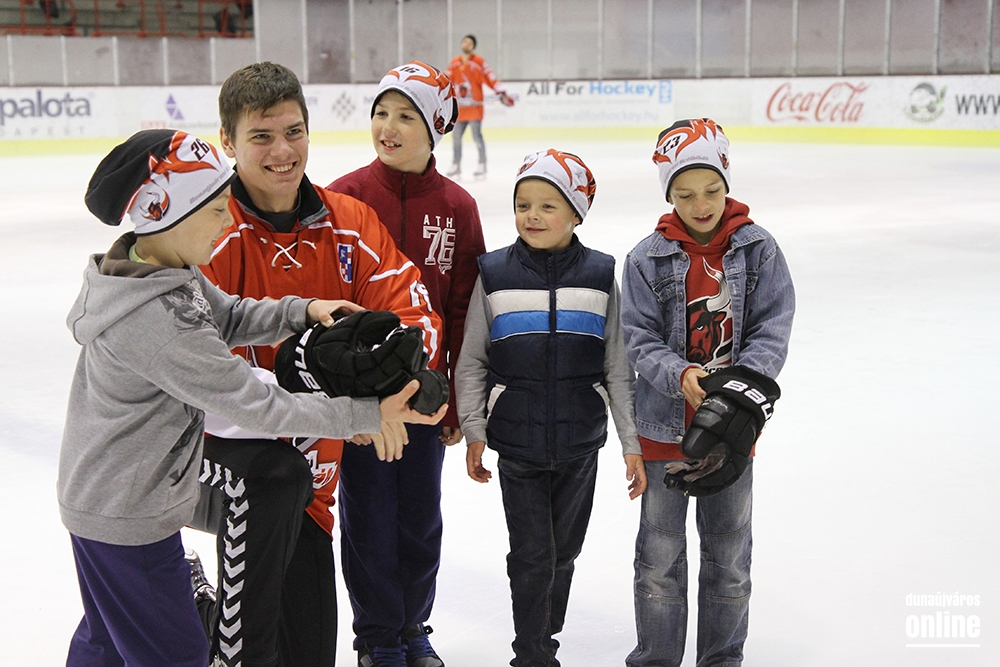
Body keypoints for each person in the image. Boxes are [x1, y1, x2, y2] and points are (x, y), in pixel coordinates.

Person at [58, 129, 441, 667]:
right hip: (128, 516)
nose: (226, 222)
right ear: (167, 214)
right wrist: (366, 414)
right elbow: (257, 404)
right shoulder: (156, 320)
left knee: (106, 643)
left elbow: (232, 315)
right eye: (216, 210)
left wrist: (303, 309)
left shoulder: (163, 272)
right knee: (177, 656)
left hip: (113, 502)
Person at [190, 61, 443, 667]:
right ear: (228, 142)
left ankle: (200, 606)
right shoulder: (205, 230)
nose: (283, 152)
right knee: (248, 649)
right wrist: (349, 410)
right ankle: (195, 601)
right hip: (230, 469)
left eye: (294, 132)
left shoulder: (350, 222)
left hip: (313, 482)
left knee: (307, 650)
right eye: (261, 136)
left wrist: (394, 388)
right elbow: (198, 369)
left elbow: (413, 315)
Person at [326, 60, 487, 667]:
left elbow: (463, 307)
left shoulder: (457, 206)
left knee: (419, 517)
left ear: (436, 127)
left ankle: (413, 627)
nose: (387, 127)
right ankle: (376, 638)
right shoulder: (342, 196)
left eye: (405, 116)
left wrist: (457, 400)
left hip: (425, 397)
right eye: (381, 113)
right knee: (367, 516)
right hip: (361, 400)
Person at [455, 149, 643, 667]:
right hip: (517, 443)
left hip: (581, 443)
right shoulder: (494, 273)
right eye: (523, 205)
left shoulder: (600, 274)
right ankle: (533, 653)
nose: (532, 216)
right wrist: (474, 429)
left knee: (565, 552)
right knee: (533, 553)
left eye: (547, 205)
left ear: (577, 213)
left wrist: (630, 442)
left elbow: (617, 365)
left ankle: (545, 636)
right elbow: (472, 360)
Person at [619, 119, 795, 667]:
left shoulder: (759, 249)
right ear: (669, 196)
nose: (701, 205)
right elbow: (637, 337)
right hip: (662, 431)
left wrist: (737, 393)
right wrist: (679, 374)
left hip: (732, 432)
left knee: (729, 560)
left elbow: (773, 325)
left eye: (712, 190)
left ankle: (722, 660)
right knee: (659, 560)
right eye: (685, 194)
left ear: (727, 184)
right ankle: (657, 659)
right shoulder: (645, 258)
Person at [445, 34, 513, 178]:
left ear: (473, 46)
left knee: (477, 137)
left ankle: (482, 164)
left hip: (474, 108)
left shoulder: (479, 62)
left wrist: (500, 90)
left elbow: (490, 77)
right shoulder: (454, 62)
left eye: (470, 43)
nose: (467, 44)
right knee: (456, 138)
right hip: (460, 109)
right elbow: (447, 81)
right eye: (465, 41)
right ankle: (456, 164)